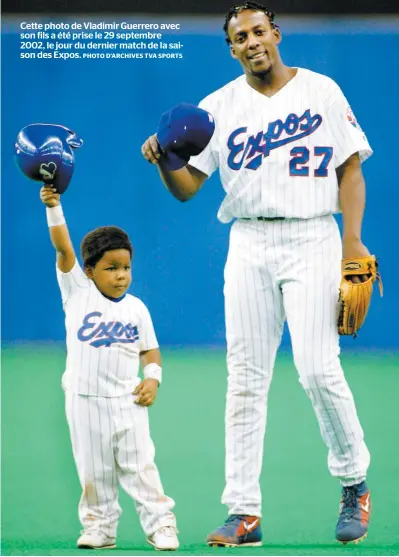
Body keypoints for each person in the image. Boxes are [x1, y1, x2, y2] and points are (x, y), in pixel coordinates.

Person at [141, 0, 375, 547]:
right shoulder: (216, 108)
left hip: (313, 234)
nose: (251, 41)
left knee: (318, 368)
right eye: (239, 36)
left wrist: (353, 240)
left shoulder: (321, 90)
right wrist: (164, 161)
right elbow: (187, 189)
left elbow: (351, 169)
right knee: (245, 379)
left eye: (258, 31)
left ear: (276, 33)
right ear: (230, 48)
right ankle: (243, 512)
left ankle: (353, 482)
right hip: (248, 241)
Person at [39, 185, 179, 551]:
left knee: (140, 468)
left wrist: (153, 379)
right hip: (84, 402)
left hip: (127, 402)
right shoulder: (77, 293)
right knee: (93, 472)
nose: (121, 275)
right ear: (88, 271)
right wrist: (55, 207)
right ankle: (100, 527)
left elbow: (151, 351)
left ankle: (161, 524)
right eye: (111, 268)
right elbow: (63, 248)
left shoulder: (137, 308)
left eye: (126, 267)